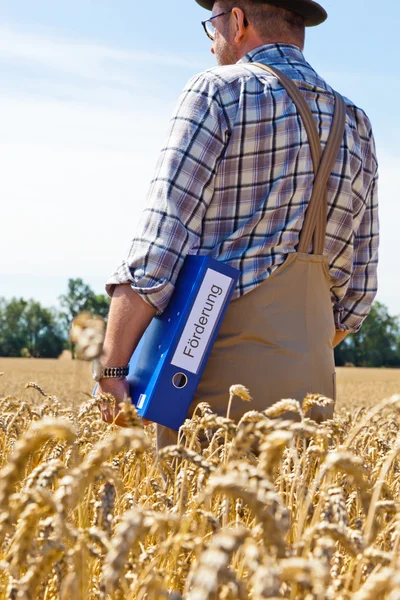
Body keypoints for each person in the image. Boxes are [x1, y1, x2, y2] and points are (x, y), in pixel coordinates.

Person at [97, 0, 379, 449]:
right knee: (296, 514)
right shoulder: (358, 123)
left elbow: (158, 248)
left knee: (202, 515)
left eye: (213, 28)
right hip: (313, 391)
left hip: (210, 381)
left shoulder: (218, 91)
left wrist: (112, 367)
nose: (213, 46)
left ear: (238, 20)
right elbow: (359, 294)